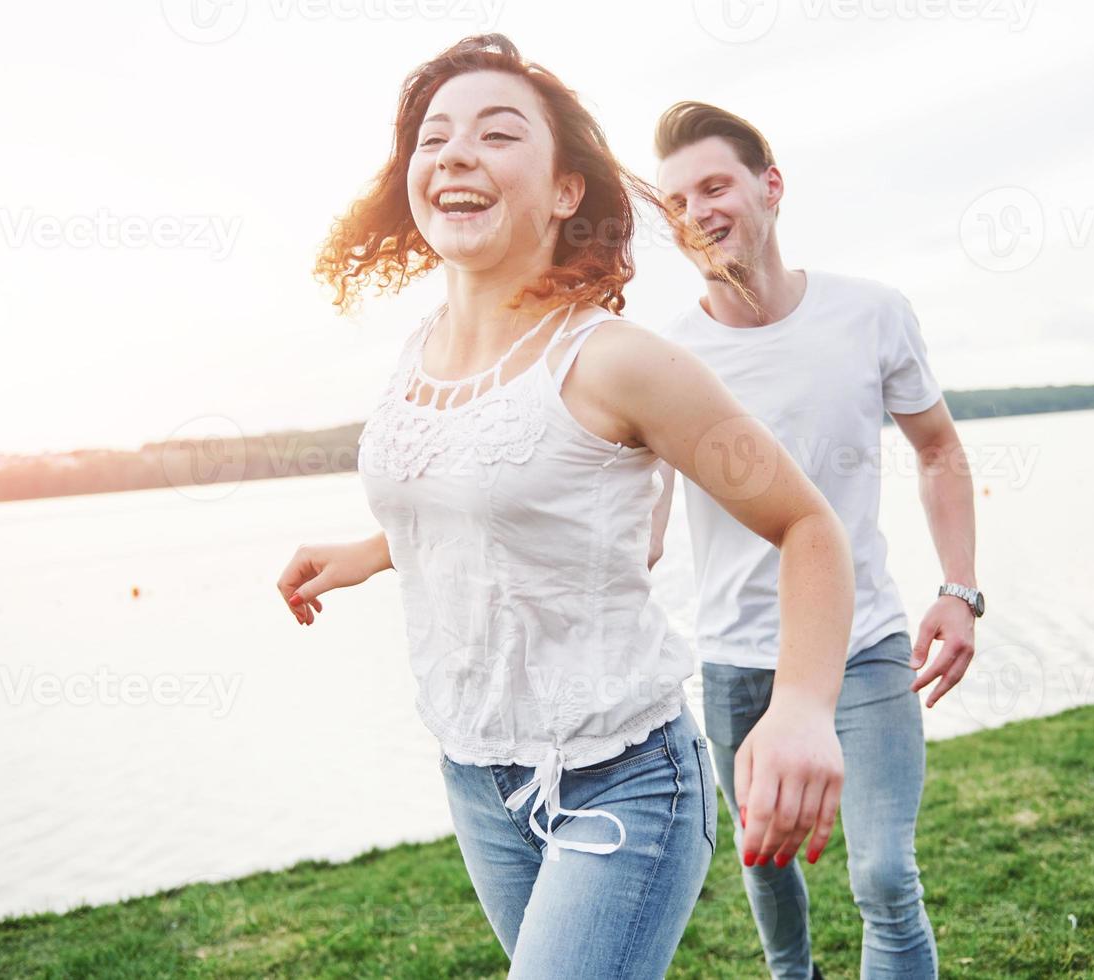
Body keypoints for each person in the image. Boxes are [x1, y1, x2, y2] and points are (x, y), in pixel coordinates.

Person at [275, 36, 857, 978]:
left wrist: (798, 707)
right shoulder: (418, 350)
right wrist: (375, 549)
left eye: (497, 134)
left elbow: (806, 525)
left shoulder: (617, 361)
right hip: (476, 775)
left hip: (623, 776)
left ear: (563, 191)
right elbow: (489, 498)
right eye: (434, 137)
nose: (455, 153)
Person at [649, 101, 984, 979]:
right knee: (767, 865)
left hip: (864, 645)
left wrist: (959, 589)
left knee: (883, 875)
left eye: (714, 186)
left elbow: (939, 448)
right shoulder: (661, 355)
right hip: (733, 661)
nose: (697, 212)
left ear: (771, 186)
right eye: (676, 201)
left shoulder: (870, 313)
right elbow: (634, 529)